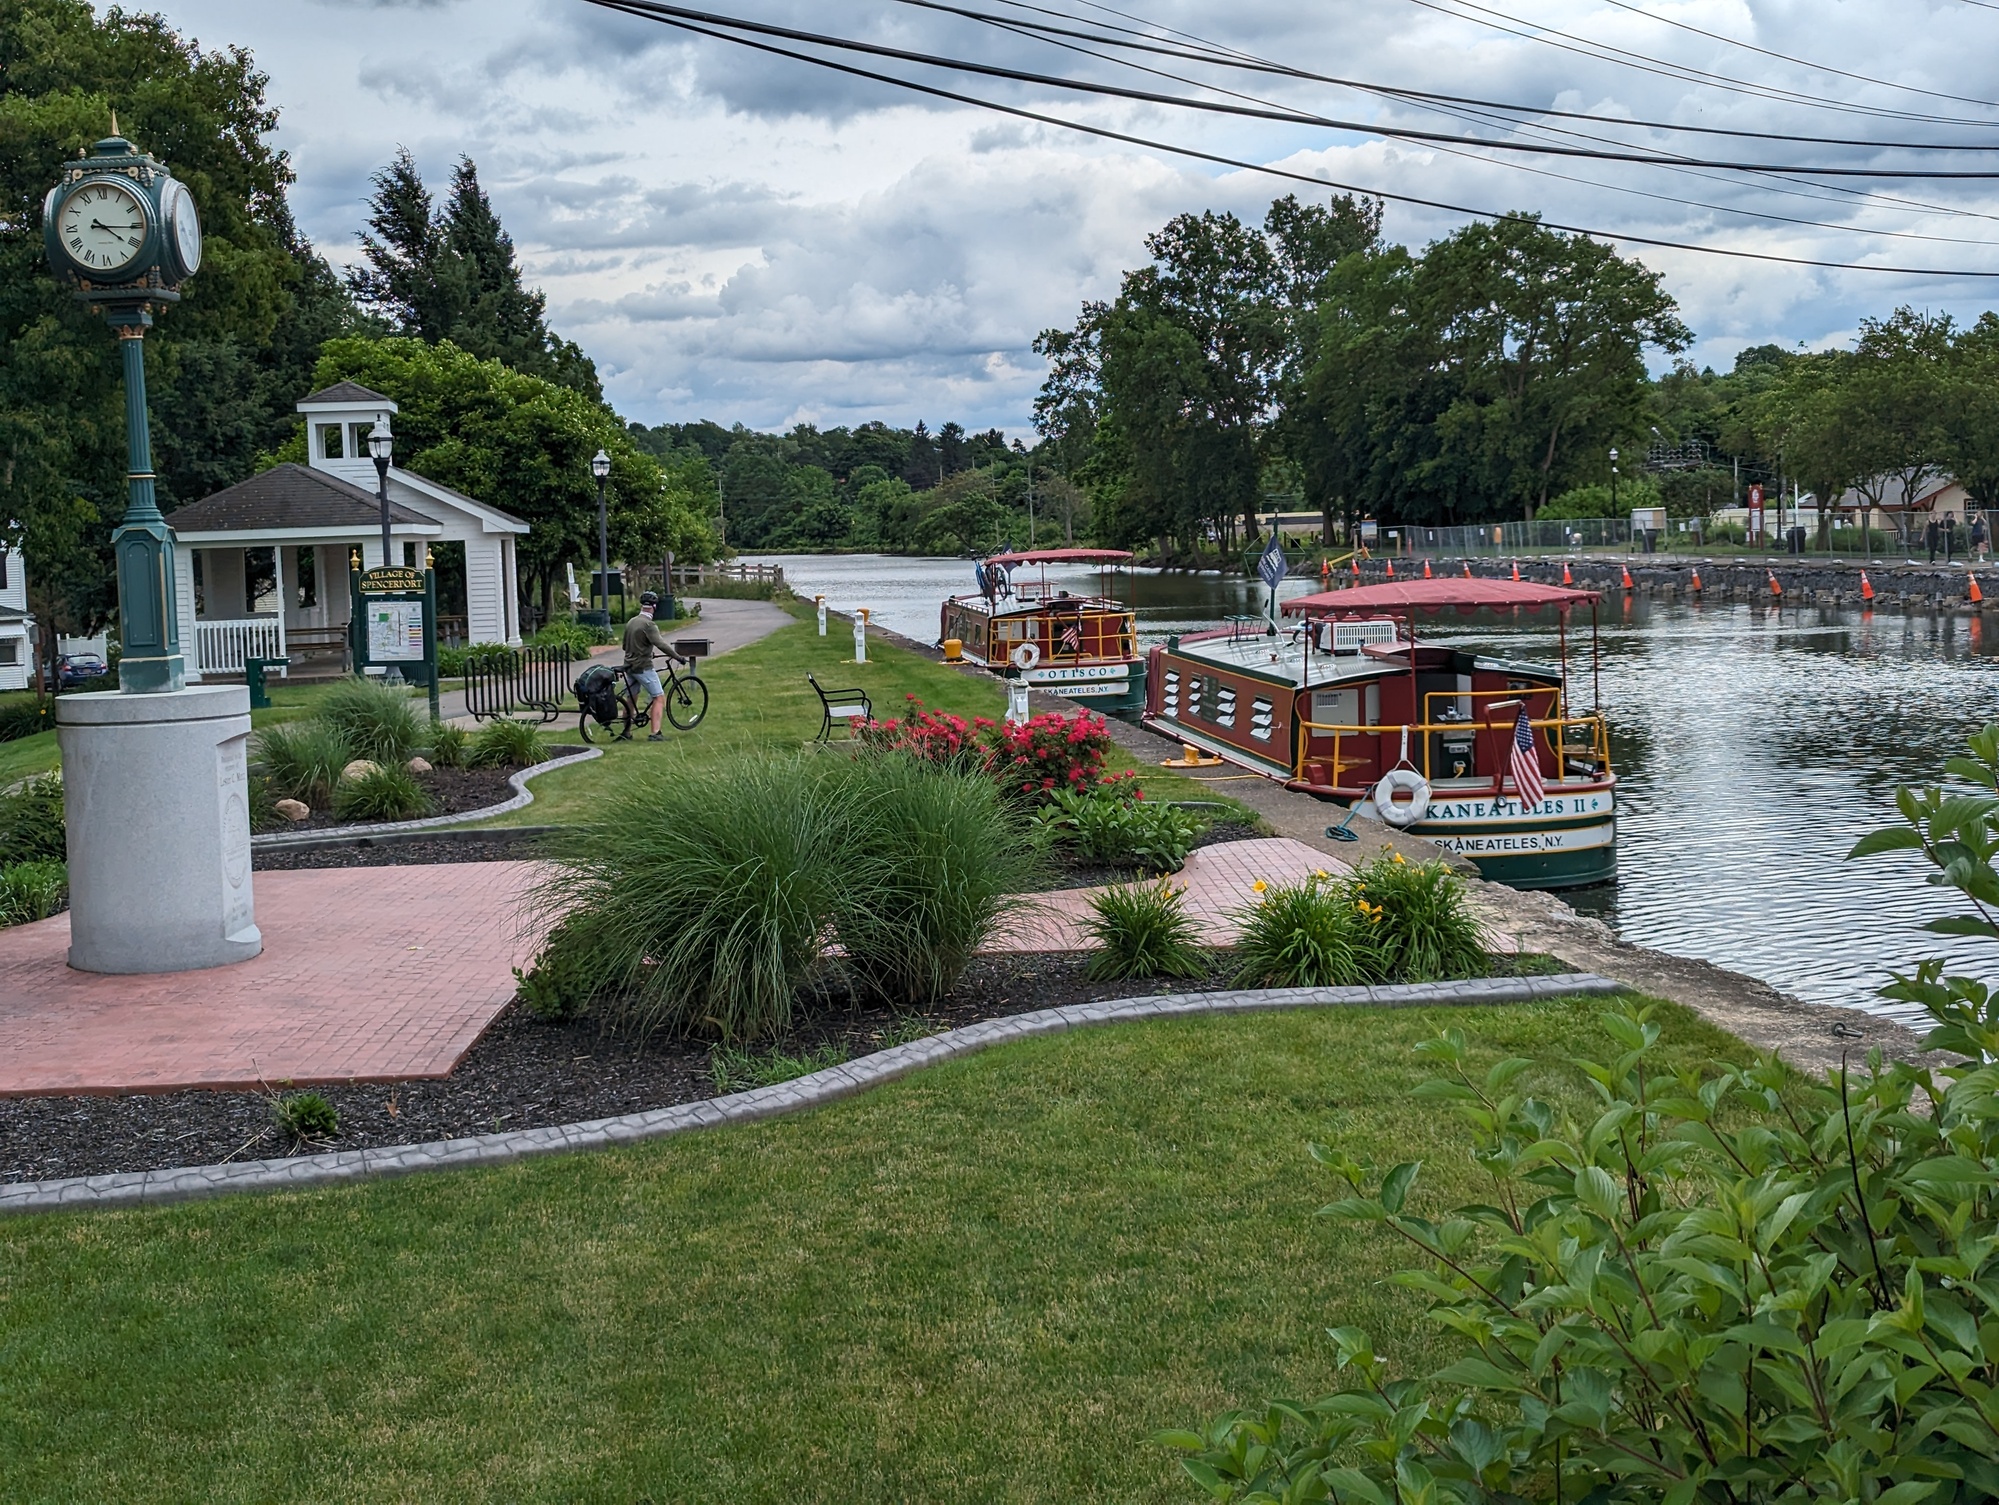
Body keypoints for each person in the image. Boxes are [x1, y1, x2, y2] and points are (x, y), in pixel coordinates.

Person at [622, 591, 686, 741]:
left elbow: (625, 646)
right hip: (643, 667)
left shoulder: (631, 622)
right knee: (658, 697)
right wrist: (677, 657)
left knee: (631, 698)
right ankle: (655, 733)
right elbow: (661, 644)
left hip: (629, 666)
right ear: (654, 607)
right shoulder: (649, 625)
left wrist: (645, 651)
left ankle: (626, 732)